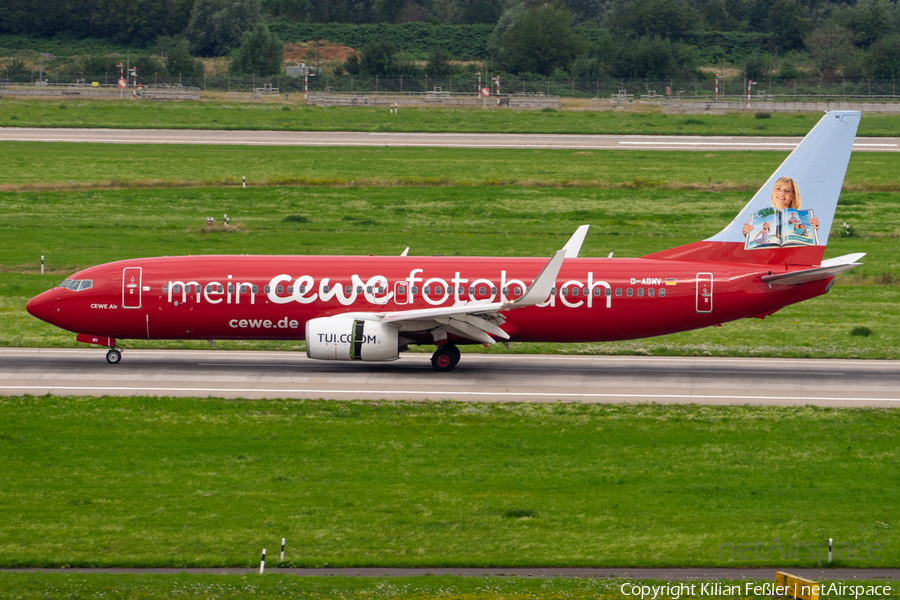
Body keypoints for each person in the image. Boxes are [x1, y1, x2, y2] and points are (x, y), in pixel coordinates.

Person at [743, 176, 819, 236]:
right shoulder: (760, 217)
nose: (782, 193)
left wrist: (813, 230)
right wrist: (748, 234)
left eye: (787, 191)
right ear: (773, 191)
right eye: (778, 188)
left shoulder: (802, 217)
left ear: (793, 196)